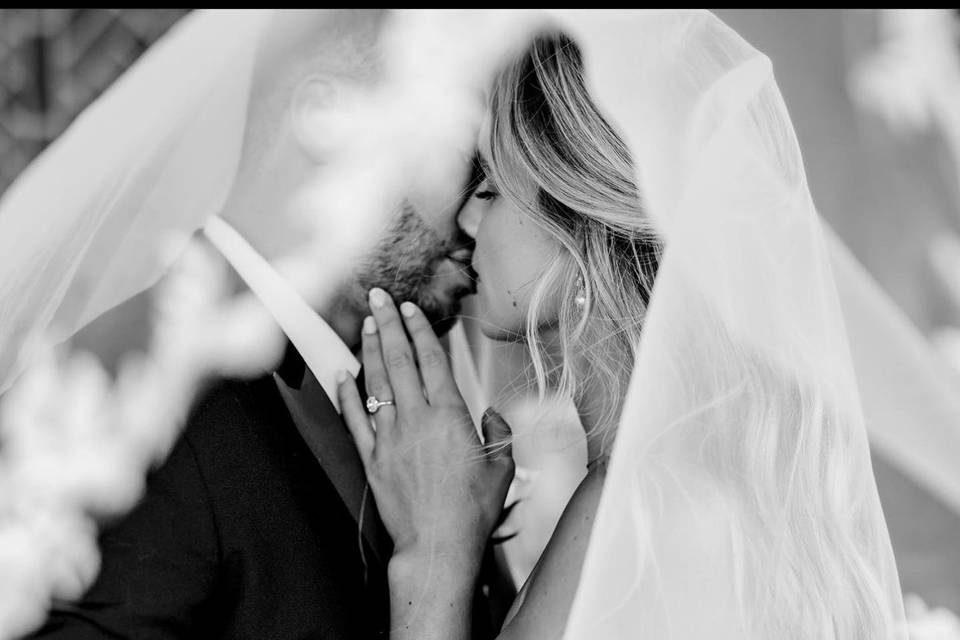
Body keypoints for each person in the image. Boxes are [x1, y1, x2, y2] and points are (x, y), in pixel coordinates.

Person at [337, 19, 910, 640]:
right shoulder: (701, 488)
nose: (467, 221)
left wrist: (435, 557)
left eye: (493, 188)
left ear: (583, 223)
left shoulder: (650, 516)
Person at [25, 10, 505, 640]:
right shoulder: (127, 411)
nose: (481, 223)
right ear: (328, 122)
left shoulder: (409, 411)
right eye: (470, 167)